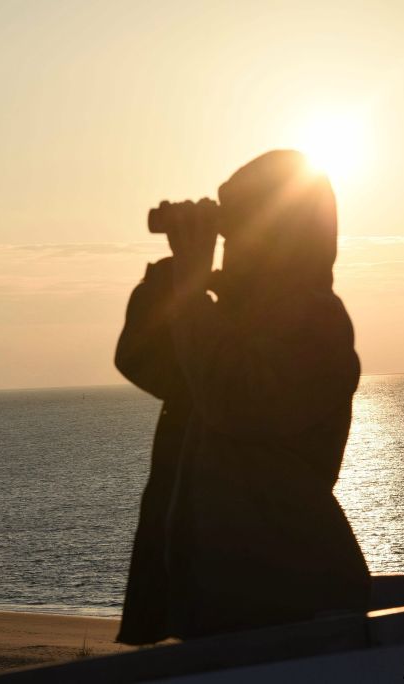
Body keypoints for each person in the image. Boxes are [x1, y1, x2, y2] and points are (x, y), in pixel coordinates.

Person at [114, 150, 369, 645]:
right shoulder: (225, 323)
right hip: (223, 604)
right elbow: (141, 358)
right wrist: (176, 274)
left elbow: (236, 399)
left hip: (288, 601)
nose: (230, 246)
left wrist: (191, 293)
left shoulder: (318, 324)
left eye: (238, 231)